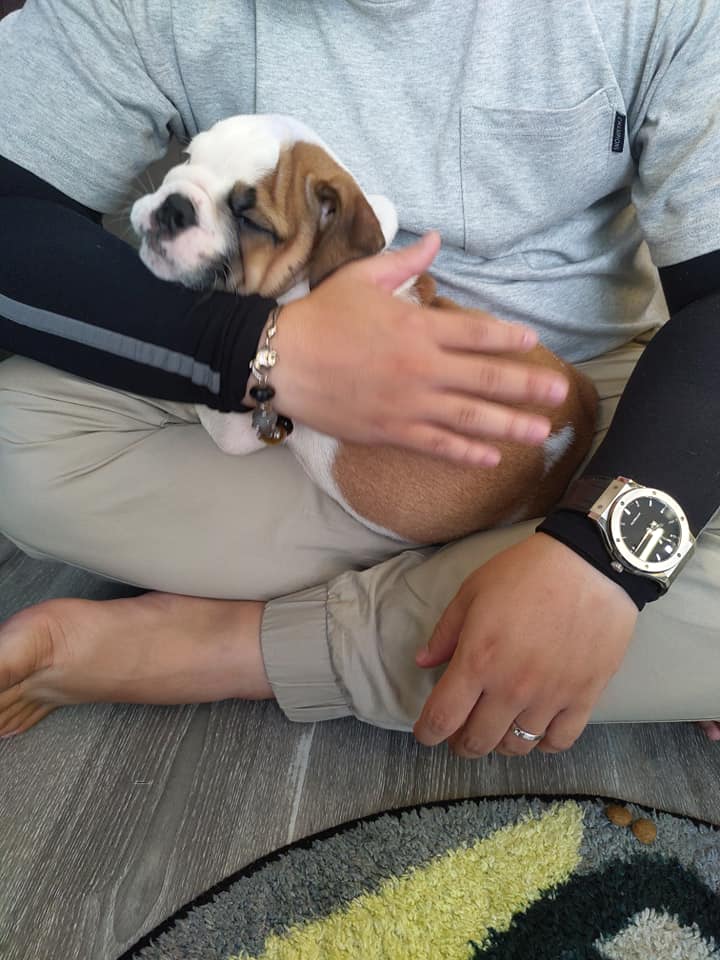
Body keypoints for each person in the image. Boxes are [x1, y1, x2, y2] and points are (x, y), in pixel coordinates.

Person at [0, 0, 719, 757]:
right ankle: (494, 587)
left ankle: (223, 647)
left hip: (580, 396)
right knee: (15, 442)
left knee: (673, 476)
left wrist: (604, 558)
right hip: (268, 383)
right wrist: (257, 352)